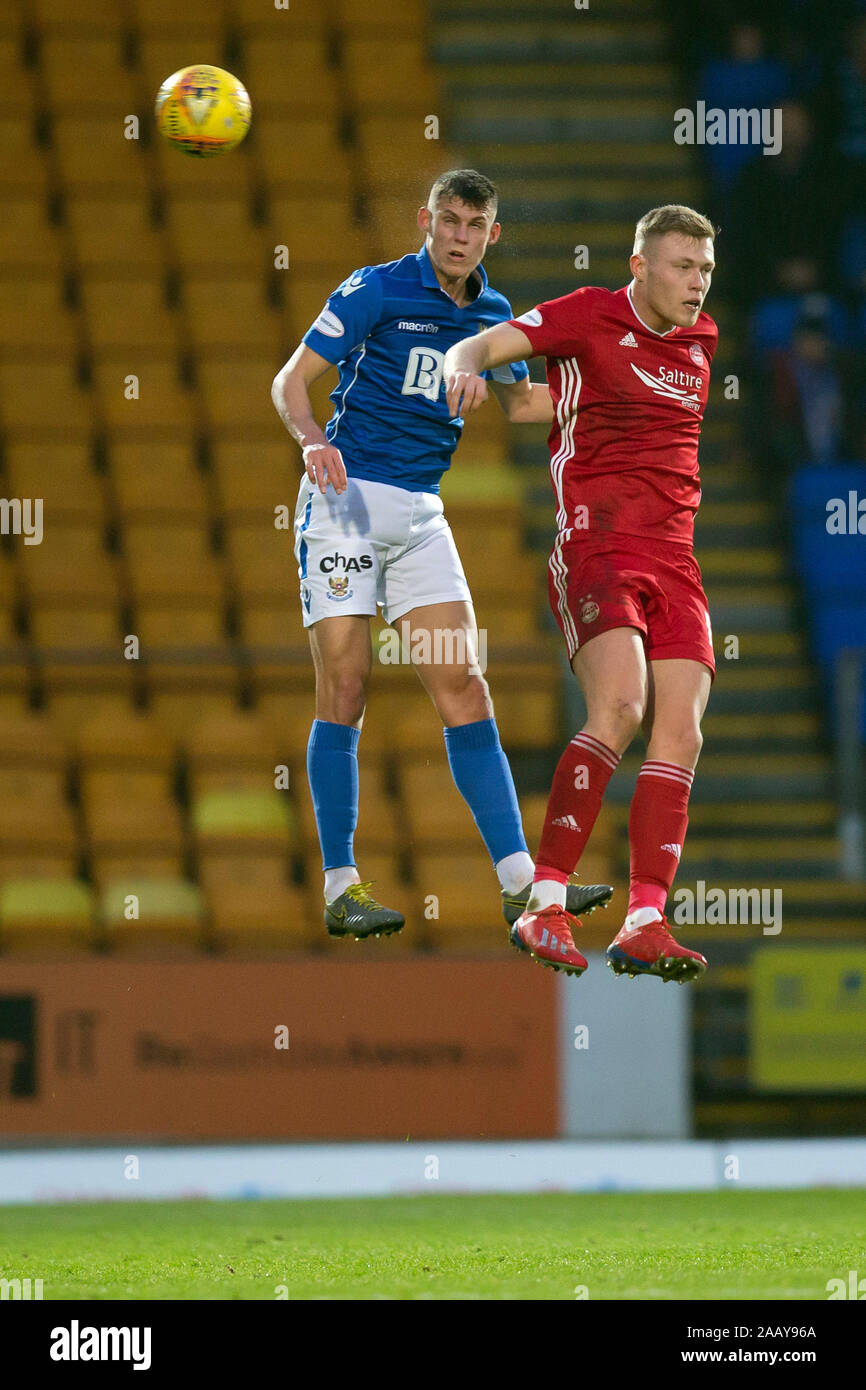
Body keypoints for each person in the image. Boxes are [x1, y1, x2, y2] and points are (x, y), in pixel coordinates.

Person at [271, 168, 612, 945]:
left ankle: (520, 882)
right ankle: (341, 885)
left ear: (493, 235)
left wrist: (604, 387)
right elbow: (292, 381)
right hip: (347, 503)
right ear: (427, 220)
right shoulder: (376, 290)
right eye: (448, 221)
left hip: (422, 512)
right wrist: (312, 441)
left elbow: (526, 399)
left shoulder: (494, 313)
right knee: (349, 684)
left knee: (464, 684)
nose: (458, 237)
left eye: (474, 226)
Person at [443, 204, 719, 983]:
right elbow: (483, 347)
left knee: (684, 732)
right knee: (623, 706)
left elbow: (544, 405)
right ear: (639, 266)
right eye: (682, 266)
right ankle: (544, 902)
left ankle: (642, 920)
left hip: (676, 560)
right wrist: (470, 362)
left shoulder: (703, 342)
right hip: (597, 545)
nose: (697, 284)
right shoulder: (588, 315)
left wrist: (513, 392)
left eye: (704, 270)